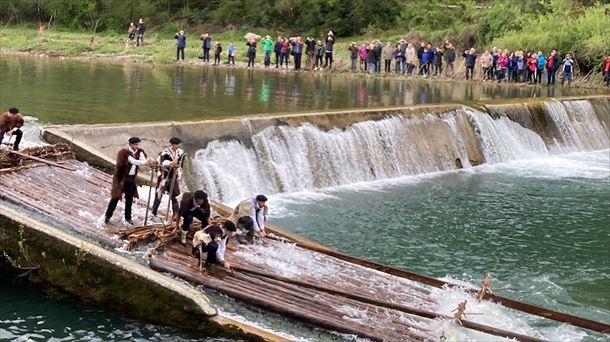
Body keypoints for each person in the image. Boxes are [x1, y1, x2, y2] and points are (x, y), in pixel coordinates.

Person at [104, 137, 155, 225]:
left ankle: (128, 218)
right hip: (121, 178)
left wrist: (147, 161)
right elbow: (133, 161)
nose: (137, 146)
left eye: (138, 144)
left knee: (129, 199)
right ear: (131, 144)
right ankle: (107, 216)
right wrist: (146, 162)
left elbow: (142, 160)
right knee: (115, 197)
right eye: (136, 144)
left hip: (131, 179)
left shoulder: (140, 152)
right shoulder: (124, 152)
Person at [151, 137, 185, 217]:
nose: (176, 146)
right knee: (159, 194)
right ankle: (154, 211)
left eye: (177, 144)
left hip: (174, 177)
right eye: (175, 144)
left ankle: (176, 214)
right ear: (172, 144)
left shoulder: (180, 153)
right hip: (164, 177)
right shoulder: (165, 153)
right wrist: (171, 163)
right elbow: (163, 162)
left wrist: (179, 173)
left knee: (176, 195)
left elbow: (181, 164)